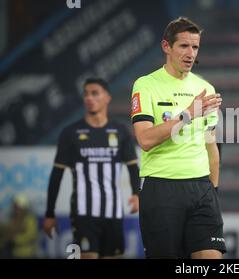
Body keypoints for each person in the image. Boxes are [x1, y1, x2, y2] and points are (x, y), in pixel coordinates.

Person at [131, 17, 225, 259]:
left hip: (202, 188)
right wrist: (187, 115)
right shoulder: (146, 85)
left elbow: (210, 145)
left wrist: (213, 189)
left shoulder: (206, 89)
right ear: (166, 47)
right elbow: (145, 139)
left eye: (195, 47)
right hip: (162, 188)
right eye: (184, 46)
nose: (190, 53)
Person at [43, 78, 140, 259]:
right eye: (86, 93)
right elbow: (56, 175)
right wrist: (50, 213)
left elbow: (133, 166)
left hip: (113, 213)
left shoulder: (119, 131)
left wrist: (136, 193)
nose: (89, 98)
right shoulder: (71, 133)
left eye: (95, 93)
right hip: (83, 214)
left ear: (107, 98)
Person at [0, 194, 38, 258]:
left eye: (18, 207)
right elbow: (6, 232)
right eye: (15, 207)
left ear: (23, 208)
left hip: (26, 253)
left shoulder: (30, 220)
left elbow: (30, 236)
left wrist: (14, 239)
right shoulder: (13, 219)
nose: (16, 209)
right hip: (12, 252)